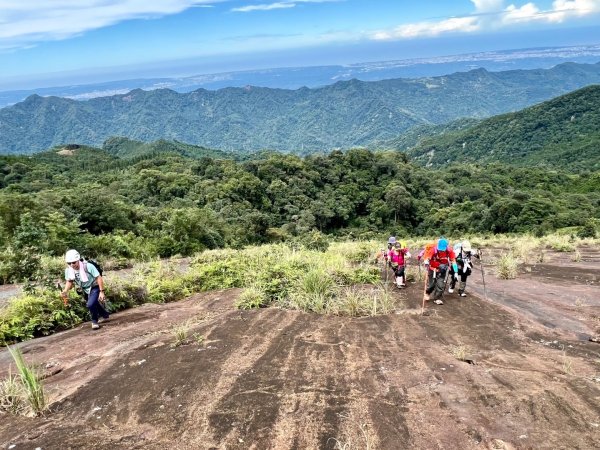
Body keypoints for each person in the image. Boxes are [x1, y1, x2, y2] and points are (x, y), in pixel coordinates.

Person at [60, 249, 109, 330]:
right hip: (85, 288)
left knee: (90, 304)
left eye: (74, 262)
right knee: (94, 303)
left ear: (78, 260)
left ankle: (94, 321)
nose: (72, 265)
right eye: (69, 263)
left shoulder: (88, 266)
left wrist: (101, 292)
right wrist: (65, 290)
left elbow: (98, 278)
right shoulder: (68, 270)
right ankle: (105, 314)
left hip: (94, 286)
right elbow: (69, 281)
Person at [423, 237, 458, 305]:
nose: (441, 251)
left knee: (440, 285)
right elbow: (428, 258)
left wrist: (456, 272)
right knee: (432, 284)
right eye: (440, 249)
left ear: (446, 247)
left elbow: (453, 261)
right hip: (433, 269)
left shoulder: (449, 250)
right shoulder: (433, 250)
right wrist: (426, 261)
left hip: (442, 270)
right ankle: (427, 293)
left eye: (443, 250)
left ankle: (437, 298)